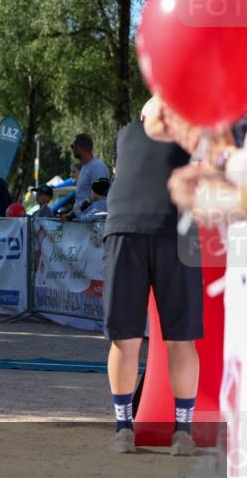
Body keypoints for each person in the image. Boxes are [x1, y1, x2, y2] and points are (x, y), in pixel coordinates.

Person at [102, 98, 202, 455]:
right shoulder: (193, 135)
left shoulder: (126, 134)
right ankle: (182, 432)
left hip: (125, 231)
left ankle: (123, 429)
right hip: (171, 234)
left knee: (125, 339)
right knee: (181, 339)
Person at [71, 133, 110, 214]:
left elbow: (101, 201)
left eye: (72, 146)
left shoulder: (97, 167)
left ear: (78, 147)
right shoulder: (85, 167)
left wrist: (83, 216)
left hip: (92, 225)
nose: (72, 149)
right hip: (84, 223)